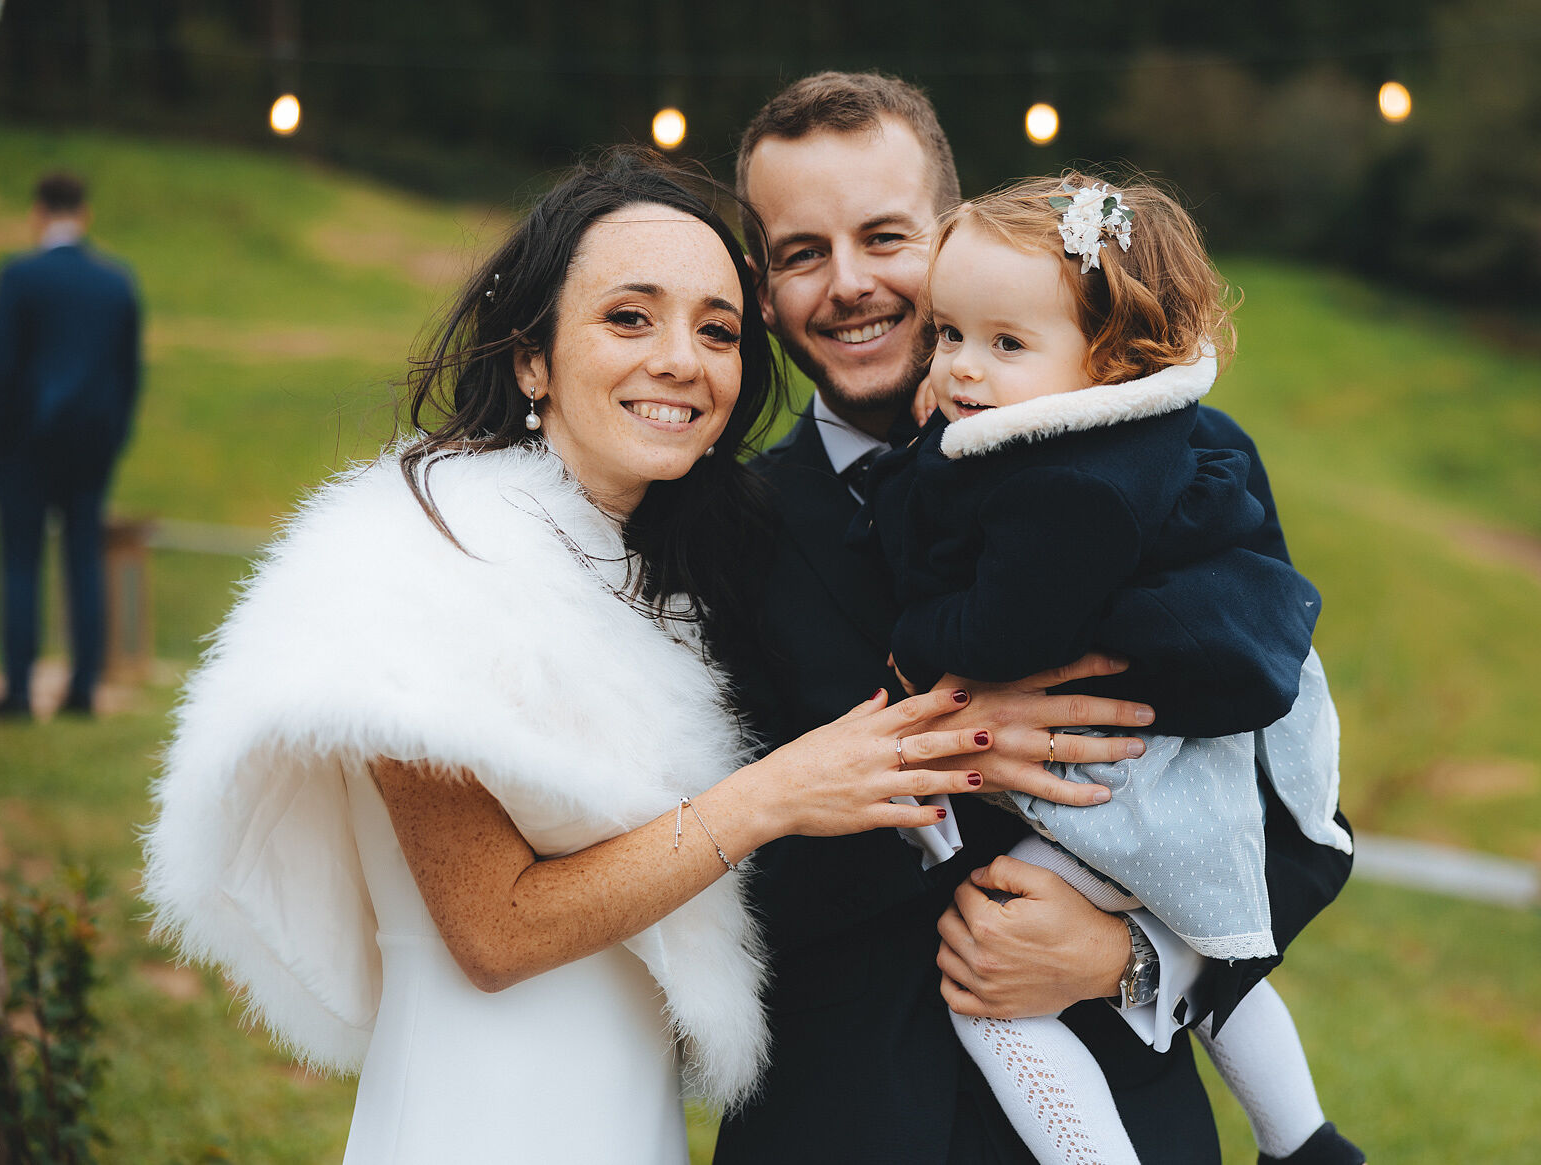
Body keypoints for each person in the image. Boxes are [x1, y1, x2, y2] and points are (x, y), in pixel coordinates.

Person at [143, 152, 997, 1165]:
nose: (681, 360)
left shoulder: (656, 582)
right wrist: (775, 793)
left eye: (717, 330)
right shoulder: (421, 565)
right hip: (477, 1124)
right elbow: (494, 930)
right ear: (531, 359)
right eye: (629, 318)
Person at [719, 72, 1354, 1165]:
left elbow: (1291, 812)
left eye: (884, 236)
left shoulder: (1182, 460)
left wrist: (1131, 956)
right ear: (764, 288)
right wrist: (940, 755)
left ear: (952, 234)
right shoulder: (720, 529)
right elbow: (699, 859)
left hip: (1120, 1113)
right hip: (835, 1125)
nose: (850, 283)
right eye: (801, 252)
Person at [860, 174, 1364, 1165]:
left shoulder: (1068, 487)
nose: (961, 367)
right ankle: (1304, 1143)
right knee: (1221, 952)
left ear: (1106, 356)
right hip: (1172, 779)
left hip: (1118, 784)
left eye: (1005, 343)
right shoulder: (1145, 435)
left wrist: (913, 637)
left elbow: (999, 636)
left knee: (993, 999)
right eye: (949, 334)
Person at [0, 171, 141, 719]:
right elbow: (128, 374)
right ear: (84, 214)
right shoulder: (116, 283)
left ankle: (19, 692)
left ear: (37, 213)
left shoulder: (19, 278)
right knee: (83, 560)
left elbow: (2, 371)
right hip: (91, 446)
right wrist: (114, 439)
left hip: (23, 445)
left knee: (21, 564)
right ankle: (82, 690)